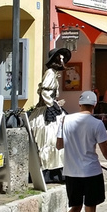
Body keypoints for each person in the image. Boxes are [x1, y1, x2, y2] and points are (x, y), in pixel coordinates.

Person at [28, 48, 71, 183]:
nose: (63, 60)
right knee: (48, 139)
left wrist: (55, 103)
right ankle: (49, 173)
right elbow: (45, 92)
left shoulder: (53, 73)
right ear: (56, 59)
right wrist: (53, 105)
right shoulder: (50, 73)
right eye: (61, 58)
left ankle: (56, 172)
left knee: (54, 139)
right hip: (46, 113)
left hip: (50, 109)